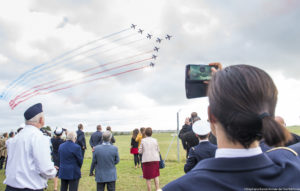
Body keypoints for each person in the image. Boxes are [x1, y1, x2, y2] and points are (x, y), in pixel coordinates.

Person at [162, 64, 300, 191]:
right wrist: (230, 84)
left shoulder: (182, 187)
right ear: (270, 115)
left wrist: (224, 85)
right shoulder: (291, 165)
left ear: (211, 115)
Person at [4, 103, 57, 191]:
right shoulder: (39, 137)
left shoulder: (14, 138)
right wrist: (53, 171)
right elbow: (45, 169)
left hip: (10, 187)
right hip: (29, 187)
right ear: (41, 119)